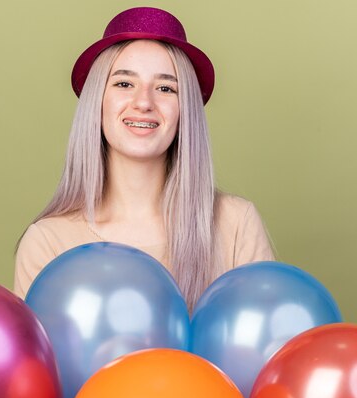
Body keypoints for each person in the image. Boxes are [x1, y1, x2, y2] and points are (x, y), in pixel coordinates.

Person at [14, 7, 275, 311]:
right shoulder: (48, 242)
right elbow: (39, 358)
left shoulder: (235, 224)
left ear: (185, 110)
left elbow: (265, 351)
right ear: (97, 100)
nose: (143, 102)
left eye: (166, 88)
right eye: (124, 84)